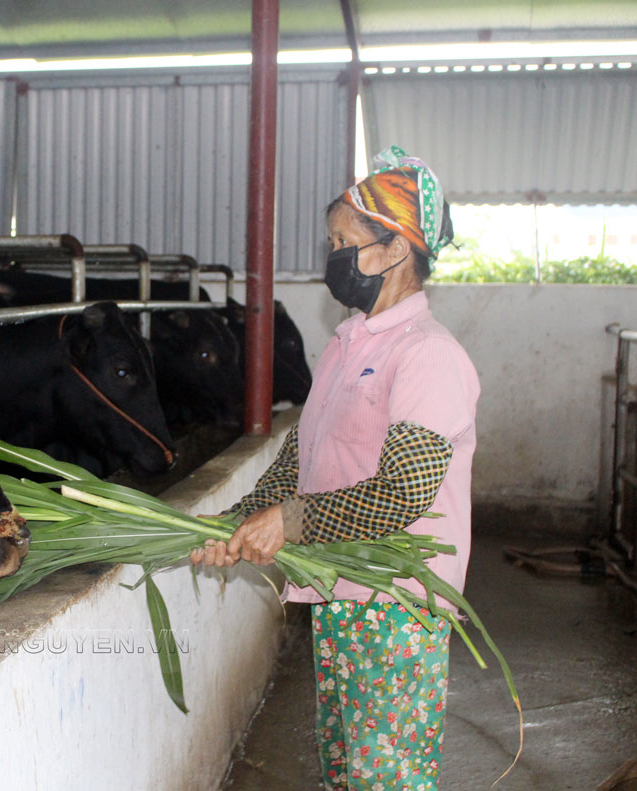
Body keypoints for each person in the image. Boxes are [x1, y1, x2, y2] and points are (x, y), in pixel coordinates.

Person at [192, 146, 479, 791]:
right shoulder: (349, 345)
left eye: (345, 242)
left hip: (396, 601)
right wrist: (236, 523)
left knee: (389, 775)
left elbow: (402, 492)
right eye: (332, 241)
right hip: (339, 587)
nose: (334, 257)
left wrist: (288, 522)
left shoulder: (429, 356)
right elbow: (302, 459)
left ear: (396, 249)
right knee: (347, 766)